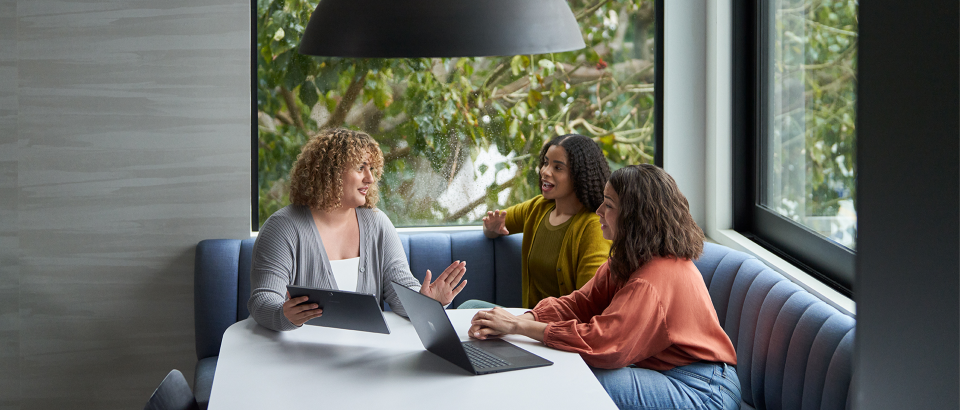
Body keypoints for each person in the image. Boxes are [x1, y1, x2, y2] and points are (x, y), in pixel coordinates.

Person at [467, 164, 741, 410]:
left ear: (634, 217)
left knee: (570, 378)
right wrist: (522, 319)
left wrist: (519, 328)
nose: (598, 211)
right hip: (664, 372)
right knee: (556, 363)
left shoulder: (652, 278)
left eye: (608, 205)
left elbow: (606, 345)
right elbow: (578, 304)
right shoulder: (629, 258)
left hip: (703, 390)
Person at [248, 128, 467, 331]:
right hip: (296, 357)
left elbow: (401, 293)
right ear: (329, 172)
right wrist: (284, 315)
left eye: (371, 169)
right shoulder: (283, 227)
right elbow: (262, 300)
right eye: (360, 167)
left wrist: (427, 301)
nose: (370, 178)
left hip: (363, 357)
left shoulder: (378, 224)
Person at [461, 134, 611, 309]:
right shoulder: (537, 208)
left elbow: (587, 305)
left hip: (559, 328)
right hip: (529, 322)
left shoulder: (594, 227)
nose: (545, 171)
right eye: (546, 163)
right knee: (469, 307)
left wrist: (529, 325)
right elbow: (494, 226)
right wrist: (491, 229)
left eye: (558, 167)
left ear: (580, 175)